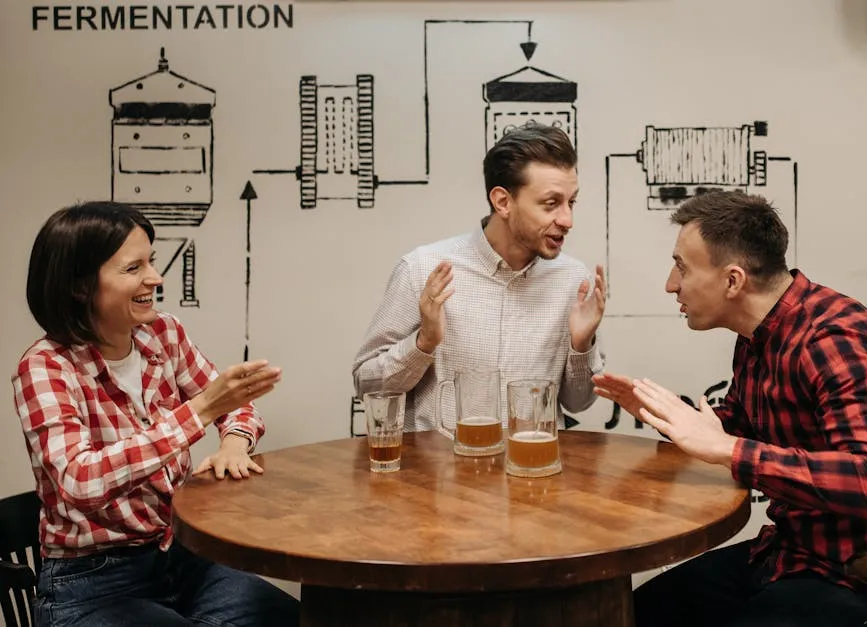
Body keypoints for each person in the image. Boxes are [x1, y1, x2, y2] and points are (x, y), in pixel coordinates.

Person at [593, 190, 867, 627]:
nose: (670, 284)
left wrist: (729, 451)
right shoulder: (759, 336)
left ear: (733, 281)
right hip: (795, 554)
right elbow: (737, 427)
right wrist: (663, 414)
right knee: (638, 613)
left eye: (682, 267)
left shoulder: (834, 340)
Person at [11, 201, 299, 626]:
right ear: (79, 285)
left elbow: (232, 403)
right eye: (133, 268)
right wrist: (199, 412)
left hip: (180, 557)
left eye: (152, 261)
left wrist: (235, 444)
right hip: (91, 583)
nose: (155, 278)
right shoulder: (45, 366)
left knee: (294, 618)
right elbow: (79, 481)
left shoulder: (162, 333)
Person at [352, 123, 607, 431]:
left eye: (572, 202)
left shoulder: (574, 282)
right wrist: (423, 343)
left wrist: (581, 346)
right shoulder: (422, 269)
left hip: (532, 472)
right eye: (551, 203)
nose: (567, 220)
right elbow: (368, 386)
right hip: (436, 474)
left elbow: (577, 403)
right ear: (503, 202)